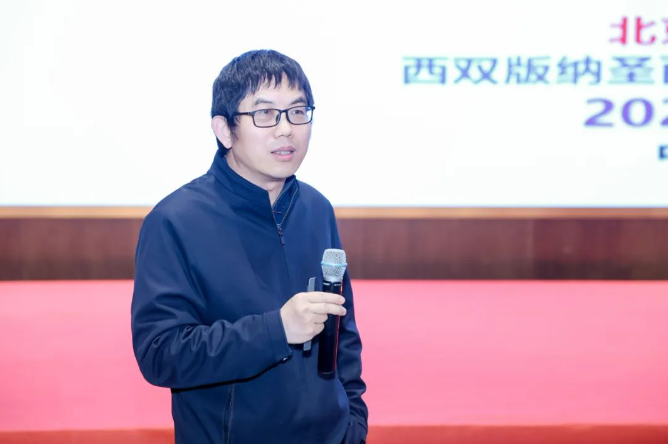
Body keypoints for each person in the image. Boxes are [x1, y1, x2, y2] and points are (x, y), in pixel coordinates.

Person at [131, 49, 368, 444]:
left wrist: (353, 423)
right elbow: (161, 353)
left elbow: (344, 334)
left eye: (297, 111)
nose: (286, 129)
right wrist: (277, 329)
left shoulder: (316, 208)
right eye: (265, 114)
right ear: (224, 129)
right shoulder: (176, 221)